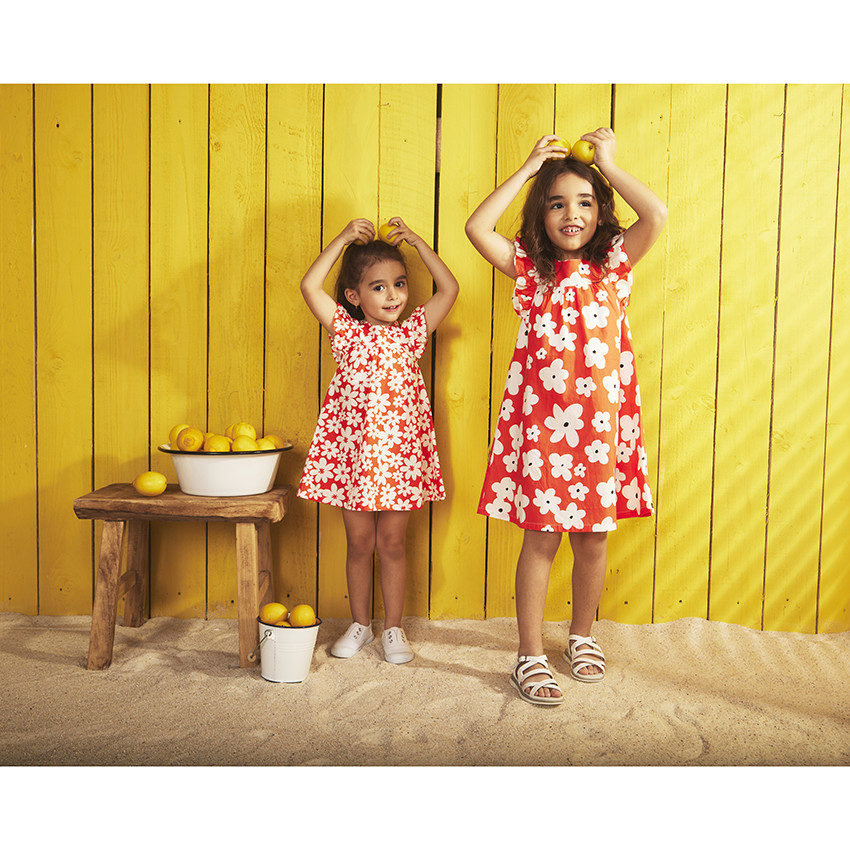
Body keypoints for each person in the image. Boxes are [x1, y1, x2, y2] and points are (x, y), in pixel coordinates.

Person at [465, 129, 667, 705]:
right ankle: (528, 654)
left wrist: (609, 164)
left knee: (594, 542)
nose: (571, 214)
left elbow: (655, 211)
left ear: (602, 214)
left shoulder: (614, 263)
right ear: (541, 214)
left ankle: (581, 636)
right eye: (556, 203)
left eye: (584, 203)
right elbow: (477, 229)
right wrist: (530, 168)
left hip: (603, 427)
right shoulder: (531, 269)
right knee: (541, 540)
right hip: (543, 426)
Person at [298, 217, 459, 664]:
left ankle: (393, 628)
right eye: (379, 287)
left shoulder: (412, 334)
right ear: (354, 296)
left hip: (401, 461)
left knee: (391, 545)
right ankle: (360, 624)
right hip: (353, 460)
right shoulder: (346, 333)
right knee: (359, 545)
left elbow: (448, 289)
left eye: (400, 284)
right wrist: (343, 239)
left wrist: (420, 244)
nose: (394, 296)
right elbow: (310, 286)